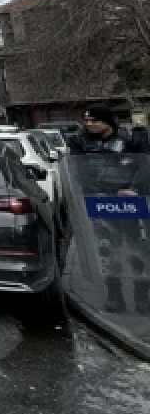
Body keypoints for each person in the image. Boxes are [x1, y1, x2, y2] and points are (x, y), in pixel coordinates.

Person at [67, 107, 147, 313]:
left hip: (130, 201)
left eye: (94, 120)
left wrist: (134, 188)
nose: (89, 124)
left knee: (136, 249)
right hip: (99, 200)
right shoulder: (80, 142)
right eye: (87, 120)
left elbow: (145, 166)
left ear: (108, 121)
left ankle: (142, 296)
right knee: (107, 250)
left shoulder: (131, 139)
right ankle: (115, 296)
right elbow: (77, 171)